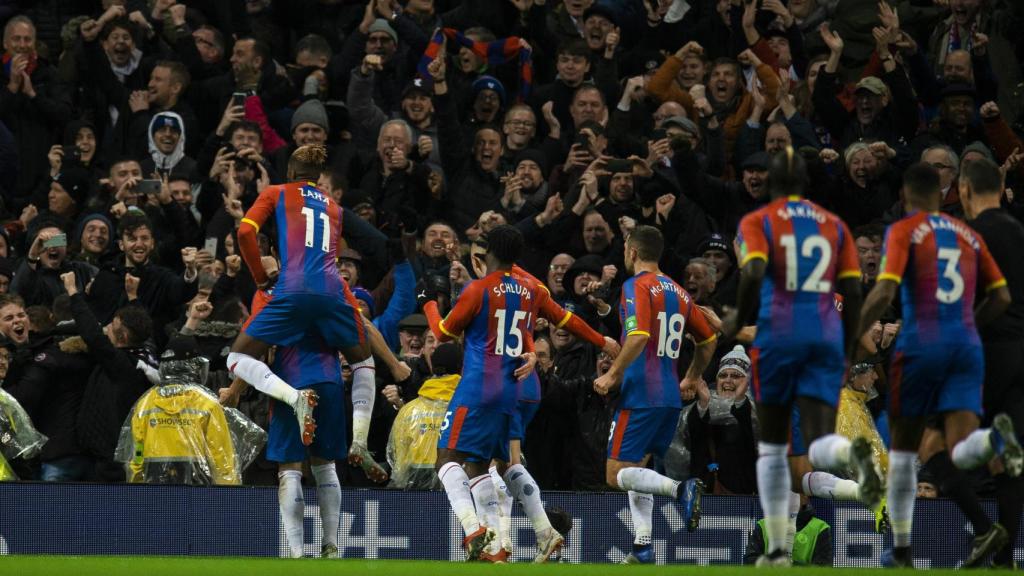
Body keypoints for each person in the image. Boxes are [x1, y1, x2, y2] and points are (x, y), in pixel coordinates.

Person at [722, 147, 880, 567]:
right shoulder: (836, 228)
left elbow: (752, 271)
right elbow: (859, 307)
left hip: (782, 344)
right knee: (810, 450)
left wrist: (736, 318)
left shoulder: (760, 222)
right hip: (825, 348)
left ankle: (781, 546)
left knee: (779, 454)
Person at [856, 162, 1019, 568]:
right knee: (960, 449)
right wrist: (967, 323)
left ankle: (903, 551)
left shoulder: (905, 230)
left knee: (913, 446)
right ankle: (998, 445)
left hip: (922, 344)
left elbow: (884, 291)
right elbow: (1000, 298)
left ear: (906, 196)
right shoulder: (969, 234)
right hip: (967, 348)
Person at [226, 145, 370, 446]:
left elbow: (245, 232)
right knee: (363, 362)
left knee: (237, 357)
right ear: (317, 178)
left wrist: (259, 276)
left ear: (290, 173)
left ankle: (294, 398)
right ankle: (360, 440)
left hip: (293, 289)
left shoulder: (278, 192)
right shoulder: (333, 206)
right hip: (333, 292)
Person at [593, 225, 716, 565]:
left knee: (615, 472)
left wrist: (612, 374)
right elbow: (708, 340)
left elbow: (638, 335)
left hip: (640, 393)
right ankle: (643, 545)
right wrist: (691, 377)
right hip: (668, 395)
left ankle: (681, 489)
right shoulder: (679, 291)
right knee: (638, 468)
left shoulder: (636, 286)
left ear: (632, 252)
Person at [422, 225, 541, 561]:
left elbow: (442, 333)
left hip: (476, 387)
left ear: (486, 253)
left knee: (446, 459)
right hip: (510, 388)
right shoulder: (530, 290)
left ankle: (473, 527)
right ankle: (498, 546)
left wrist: (429, 302)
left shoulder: (479, 288)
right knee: (483, 464)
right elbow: (526, 335)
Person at [957, 157, 1024, 568]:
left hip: (987, 351)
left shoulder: (971, 235)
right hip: (1020, 350)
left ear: (965, 190)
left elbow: (968, 295)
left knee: (942, 442)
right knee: (1008, 456)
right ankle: (1004, 557)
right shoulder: (1018, 229)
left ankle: (983, 528)